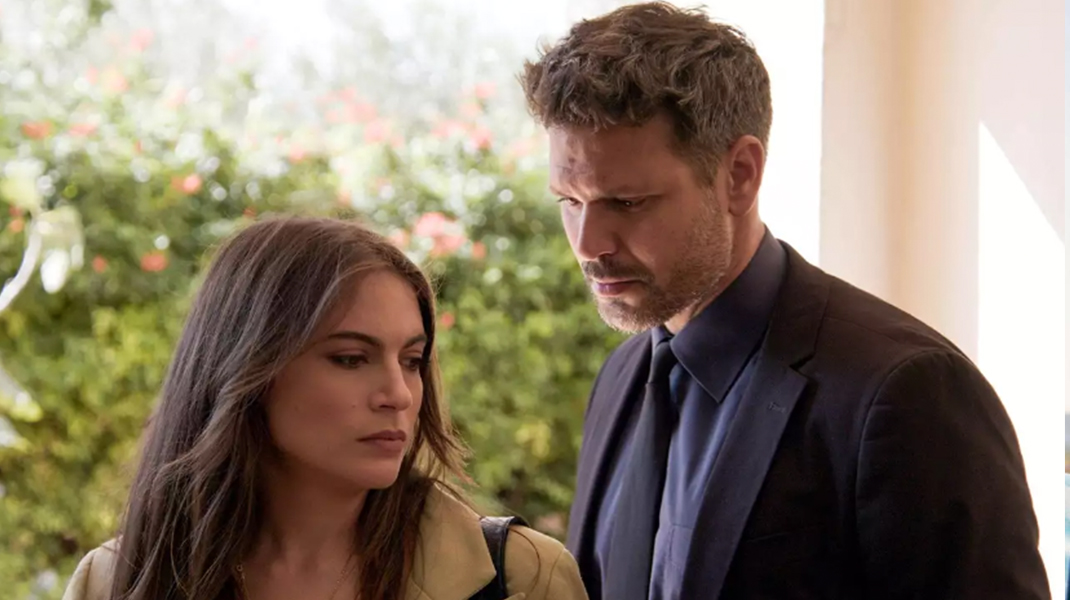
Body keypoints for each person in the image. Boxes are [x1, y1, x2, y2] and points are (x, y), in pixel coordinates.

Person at [518, 2, 1048, 599]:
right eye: (569, 201)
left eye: (627, 202)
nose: (588, 244)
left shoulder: (907, 393)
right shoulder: (622, 377)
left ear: (740, 175)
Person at [61, 217, 587, 600]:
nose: (399, 394)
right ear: (248, 370)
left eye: (412, 361)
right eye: (351, 359)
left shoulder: (523, 578)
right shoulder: (111, 582)